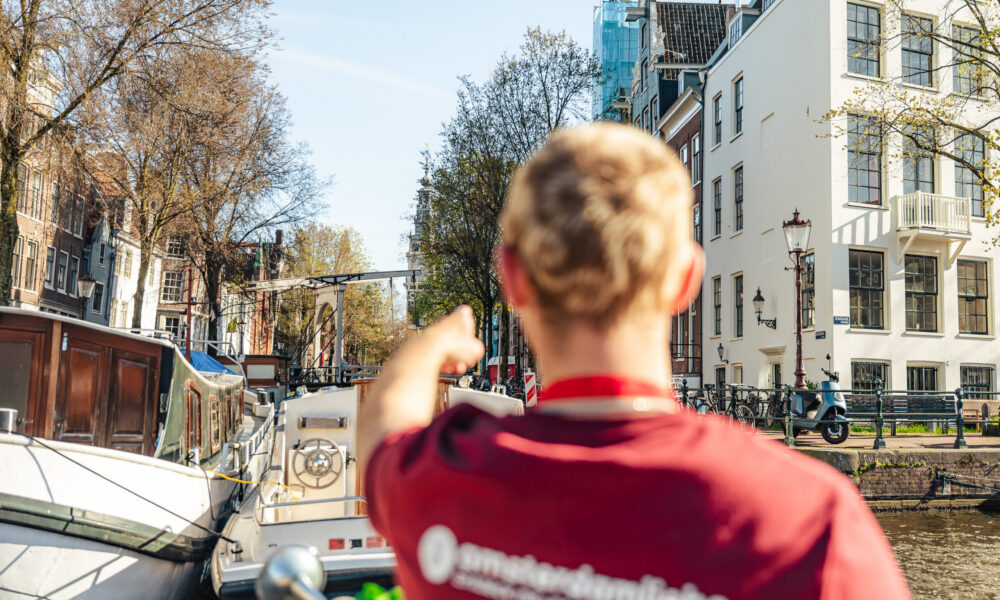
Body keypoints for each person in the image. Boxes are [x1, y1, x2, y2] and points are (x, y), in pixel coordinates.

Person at [357, 123, 910, 599]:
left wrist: (432, 343)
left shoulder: (439, 478)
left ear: (513, 279)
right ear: (687, 280)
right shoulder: (811, 521)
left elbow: (384, 426)